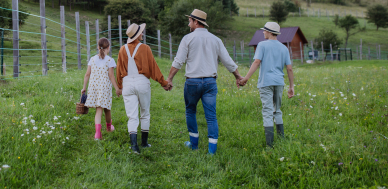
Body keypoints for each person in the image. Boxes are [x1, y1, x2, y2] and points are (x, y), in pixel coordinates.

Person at [166, 9, 242, 155]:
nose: (189, 24)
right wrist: (237, 76)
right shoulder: (216, 39)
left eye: (190, 21)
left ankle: (194, 145)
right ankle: (212, 151)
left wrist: (169, 78)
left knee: (190, 111)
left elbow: (178, 61)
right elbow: (227, 61)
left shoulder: (187, 38)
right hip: (210, 82)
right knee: (211, 116)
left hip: (192, 83)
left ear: (196, 22)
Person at [116, 23, 172, 153]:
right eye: (141, 32)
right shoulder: (145, 48)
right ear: (136, 35)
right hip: (142, 83)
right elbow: (153, 68)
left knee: (132, 116)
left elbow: (119, 70)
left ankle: (134, 146)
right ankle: (144, 143)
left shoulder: (122, 49)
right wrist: (163, 83)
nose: (142, 34)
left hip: (127, 83)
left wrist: (119, 86)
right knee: (145, 113)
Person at [237, 22, 295, 147]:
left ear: (269, 32)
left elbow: (257, 62)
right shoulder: (284, 48)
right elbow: (289, 69)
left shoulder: (262, 45)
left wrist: (246, 78)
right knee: (277, 110)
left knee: (267, 111)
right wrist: (291, 87)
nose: (263, 32)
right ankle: (281, 139)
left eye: (264, 31)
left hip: (265, 82)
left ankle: (270, 146)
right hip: (279, 82)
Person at [81, 37, 121, 140]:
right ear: (108, 48)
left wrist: (84, 88)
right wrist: (117, 88)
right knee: (107, 109)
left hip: (94, 87)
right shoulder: (110, 60)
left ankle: (97, 134)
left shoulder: (92, 59)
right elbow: (111, 76)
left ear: (98, 47)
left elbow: (87, 74)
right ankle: (108, 127)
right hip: (105, 89)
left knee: (98, 111)